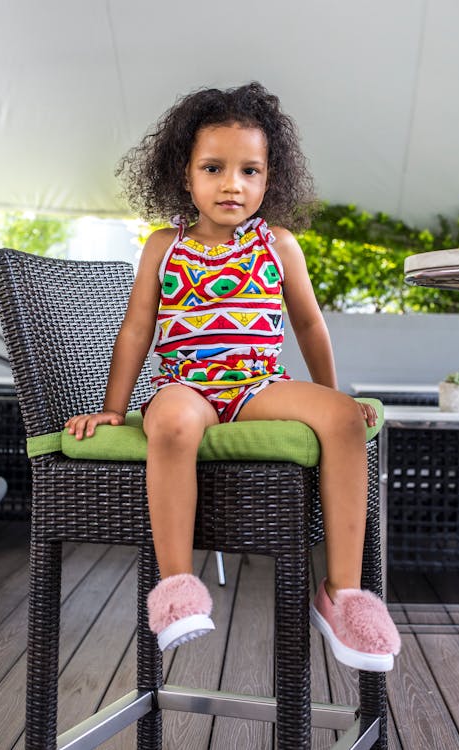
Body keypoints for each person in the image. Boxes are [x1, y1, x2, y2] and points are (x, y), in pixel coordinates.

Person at [65, 82, 400, 672]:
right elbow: (137, 333)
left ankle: (344, 594)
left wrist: (330, 394)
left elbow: (309, 326)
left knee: (345, 419)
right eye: (214, 168)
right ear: (184, 174)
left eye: (250, 170)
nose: (232, 184)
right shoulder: (163, 248)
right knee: (167, 421)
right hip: (186, 387)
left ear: (270, 179)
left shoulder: (279, 245)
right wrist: (115, 409)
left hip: (257, 388)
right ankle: (176, 588)